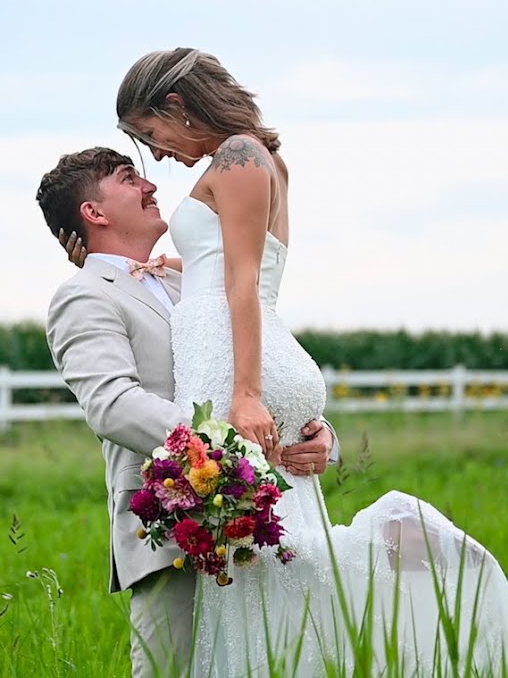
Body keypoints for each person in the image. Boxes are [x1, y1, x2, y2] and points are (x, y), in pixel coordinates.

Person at [106, 47, 508, 677]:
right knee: (267, 557)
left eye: (151, 134)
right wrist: (177, 264)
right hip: (234, 351)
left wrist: (247, 392)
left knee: (258, 566)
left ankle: (418, 562)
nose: (159, 153)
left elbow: (246, 281)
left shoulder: (239, 155)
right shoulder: (256, 157)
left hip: (236, 363)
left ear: (177, 103)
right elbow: (237, 263)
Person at [36, 147, 341, 678]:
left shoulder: (195, 280)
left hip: (263, 522)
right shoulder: (82, 296)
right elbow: (113, 404)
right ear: (94, 212)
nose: (151, 185)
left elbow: (260, 370)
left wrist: (317, 436)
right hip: (175, 524)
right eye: (129, 178)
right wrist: (233, 450)